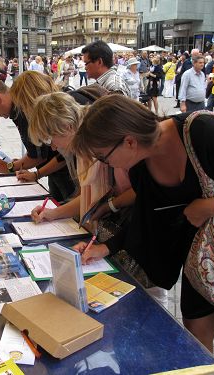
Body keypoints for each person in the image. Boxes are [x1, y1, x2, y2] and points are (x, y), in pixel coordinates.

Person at [72, 94, 214, 375]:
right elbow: (149, 219)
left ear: (129, 141)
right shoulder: (141, 169)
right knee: (195, 341)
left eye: (103, 156)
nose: (104, 164)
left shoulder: (202, 132)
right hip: (199, 260)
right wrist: (105, 248)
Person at [28, 91, 169, 307]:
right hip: (119, 235)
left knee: (148, 301)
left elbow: (143, 193)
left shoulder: (105, 145)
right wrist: (55, 213)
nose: (53, 148)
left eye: (50, 139)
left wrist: (111, 205)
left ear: (66, 126)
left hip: (142, 239)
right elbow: (91, 196)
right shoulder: (92, 146)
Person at [0, 75, 76, 202]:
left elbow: (40, 155)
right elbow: (43, 151)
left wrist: (12, 167)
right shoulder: (22, 109)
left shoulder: (23, 110)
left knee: (68, 205)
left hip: (65, 172)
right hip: (58, 170)